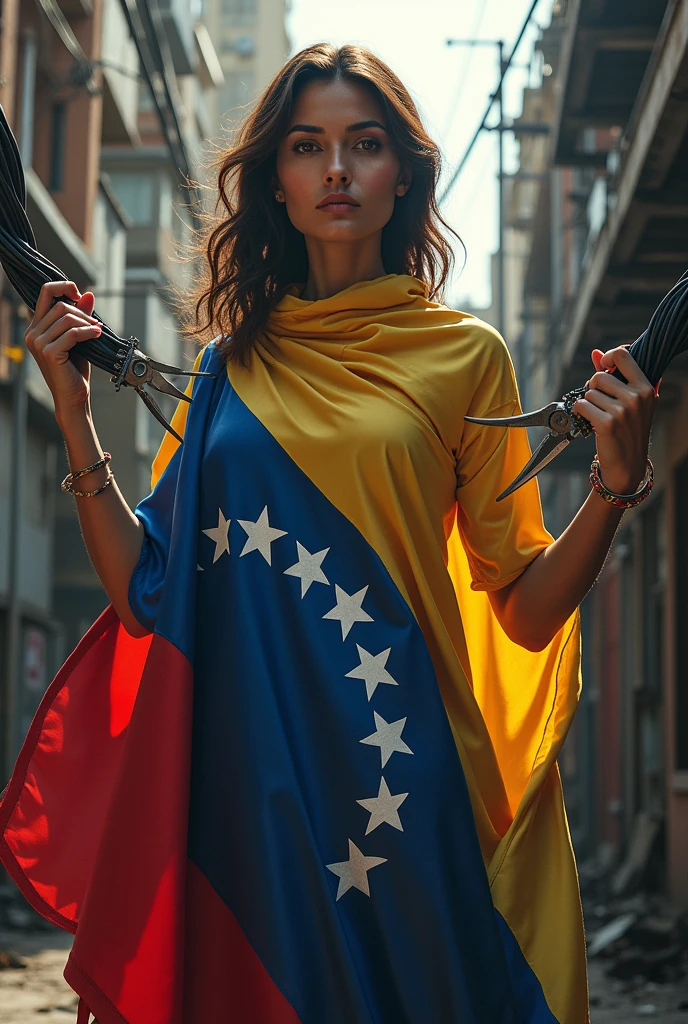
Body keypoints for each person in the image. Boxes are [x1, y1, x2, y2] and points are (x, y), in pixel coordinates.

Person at [1, 44, 658, 1024]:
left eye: (365, 144)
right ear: (277, 178)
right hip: (250, 808)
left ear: (404, 176)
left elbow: (520, 612)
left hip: (404, 800)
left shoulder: (465, 359)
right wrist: (71, 410)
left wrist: (609, 488)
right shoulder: (227, 370)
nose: (338, 170)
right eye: (308, 147)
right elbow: (149, 587)